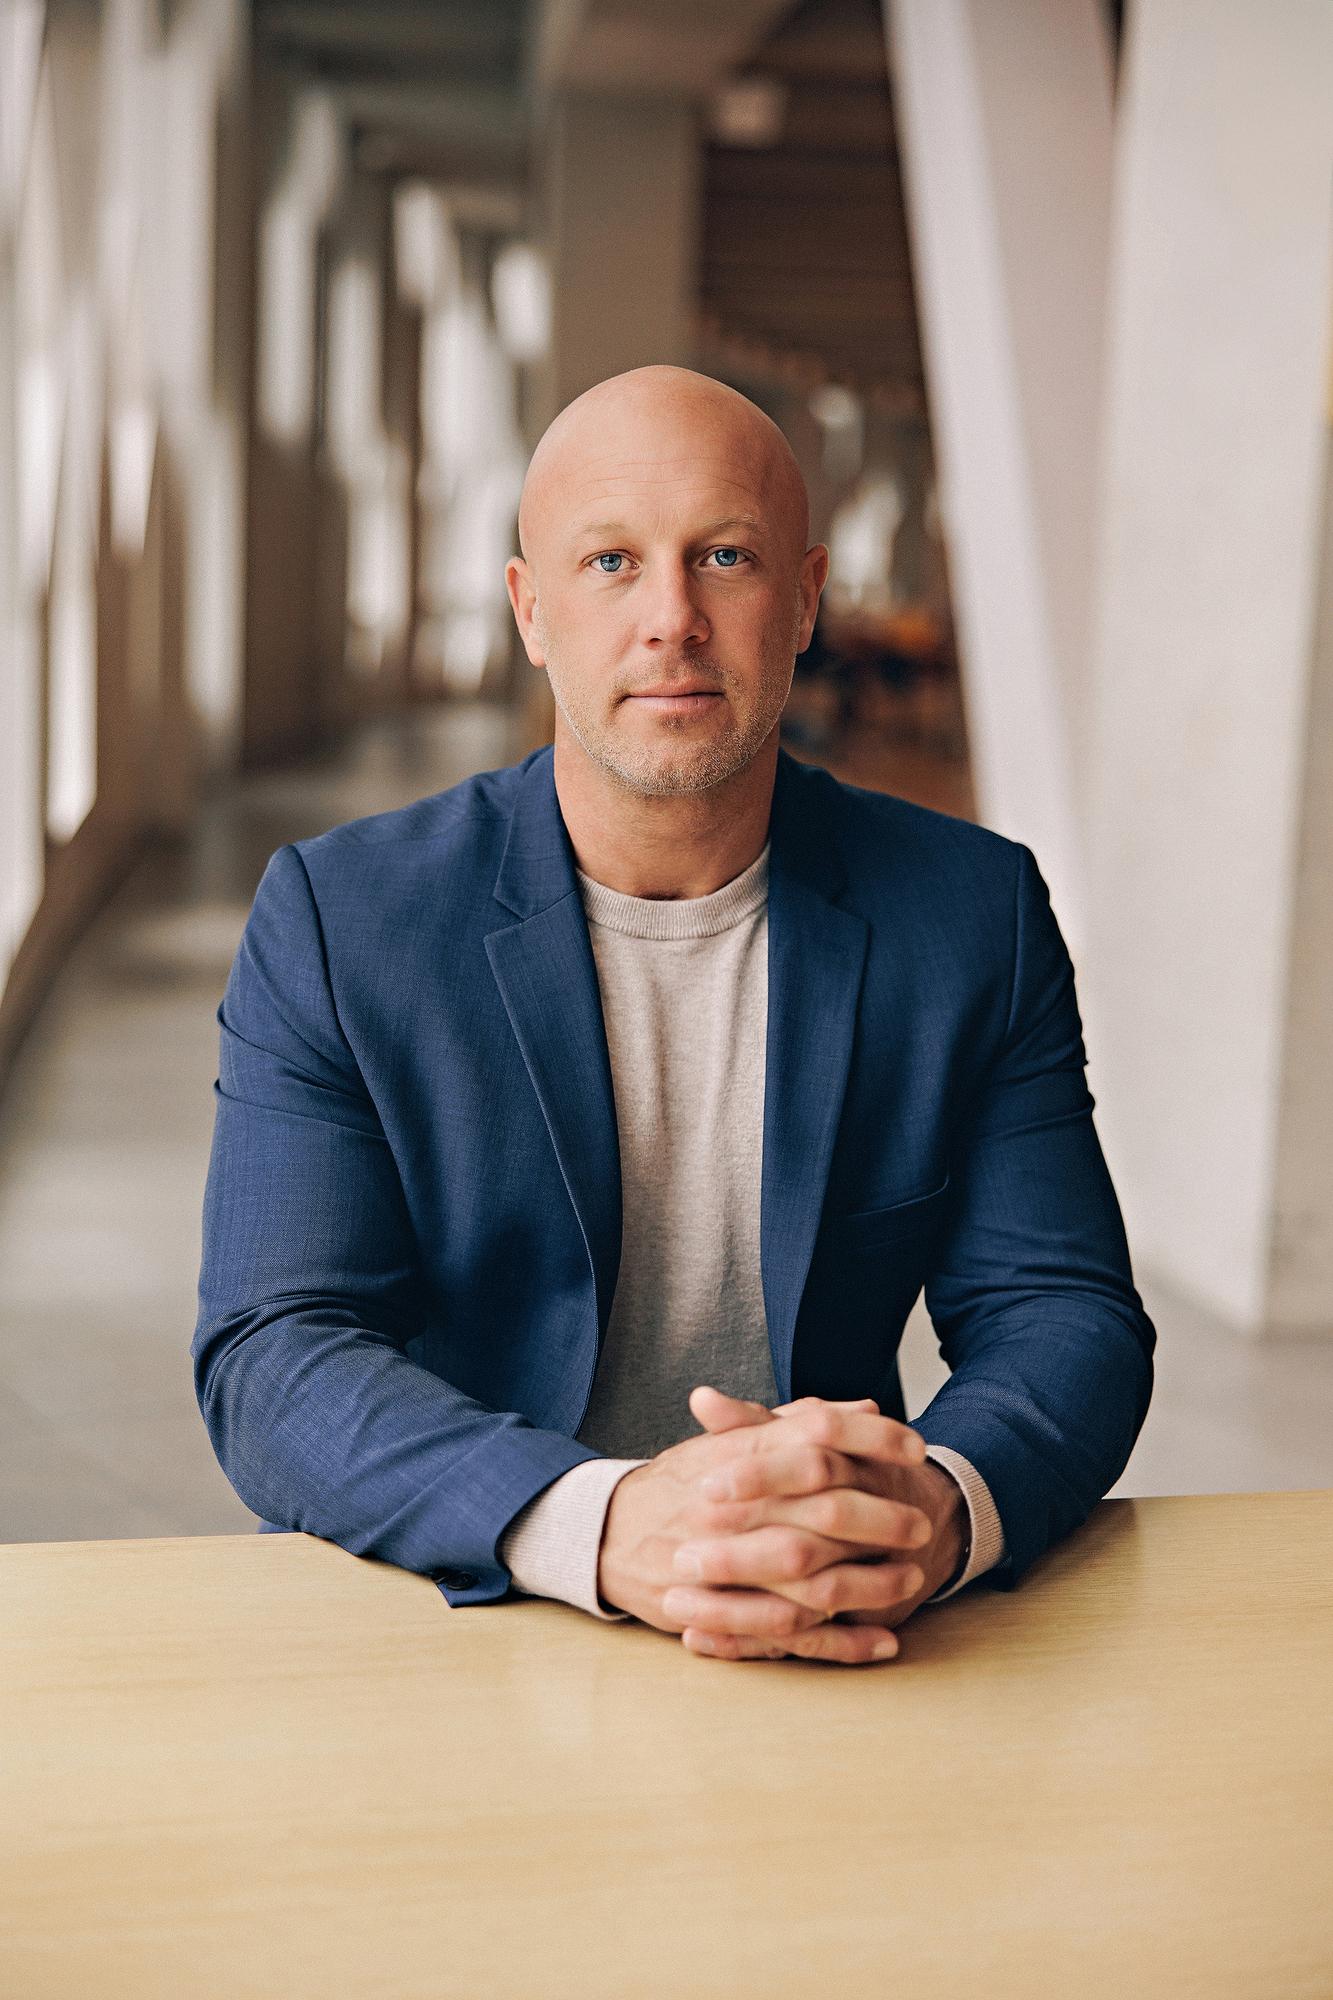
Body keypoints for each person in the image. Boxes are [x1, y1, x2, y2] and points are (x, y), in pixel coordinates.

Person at [193, 365, 1155, 1667]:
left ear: (806, 596)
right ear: (530, 610)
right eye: (608, 562)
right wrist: (603, 1519)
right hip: (458, 1608)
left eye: (724, 556)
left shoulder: (966, 911)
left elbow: (1063, 1310)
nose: (671, 619)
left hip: (832, 1613)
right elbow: (275, 1351)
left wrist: (934, 1506)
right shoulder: (342, 918)